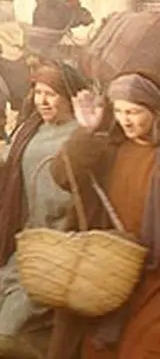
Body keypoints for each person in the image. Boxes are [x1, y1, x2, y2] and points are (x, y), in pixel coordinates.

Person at [0, 61, 84, 359]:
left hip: (67, 243)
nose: (43, 101)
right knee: (7, 330)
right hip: (28, 241)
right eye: (38, 93)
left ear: (69, 96)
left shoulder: (82, 136)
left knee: (22, 335)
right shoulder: (29, 130)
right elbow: (6, 169)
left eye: (51, 94)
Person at [47, 70, 160, 359]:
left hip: (154, 279)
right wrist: (85, 131)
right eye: (119, 111)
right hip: (108, 271)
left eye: (134, 112)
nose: (125, 120)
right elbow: (62, 175)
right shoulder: (108, 150)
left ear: (155, 110)